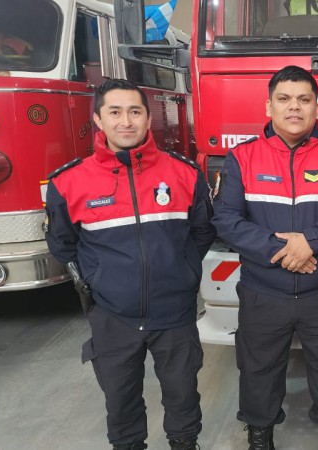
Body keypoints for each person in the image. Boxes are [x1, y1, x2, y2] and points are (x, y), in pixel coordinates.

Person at [45, 79, 216, 450]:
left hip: (175, 313)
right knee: (120, 404)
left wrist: (182, 269)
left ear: (147, 117)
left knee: (183, 396)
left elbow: (201, 233)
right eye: (115, 112)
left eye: (135, 111)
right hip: (113, 316)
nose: (126, 121)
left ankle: (185, 444)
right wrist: (100, 279)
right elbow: (63, 244)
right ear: (98, 120)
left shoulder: (184, 174)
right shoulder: (68, 182)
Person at [211, 65, 318, 450]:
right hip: (264, 292)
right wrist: (283, 251)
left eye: (304, 100)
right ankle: (260, 436)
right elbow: (226, 220)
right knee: (257, 372)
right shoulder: (241, 158)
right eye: (284, 99)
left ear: (317, 108)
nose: (294, 108)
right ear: (269, 107)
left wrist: (310, 242)